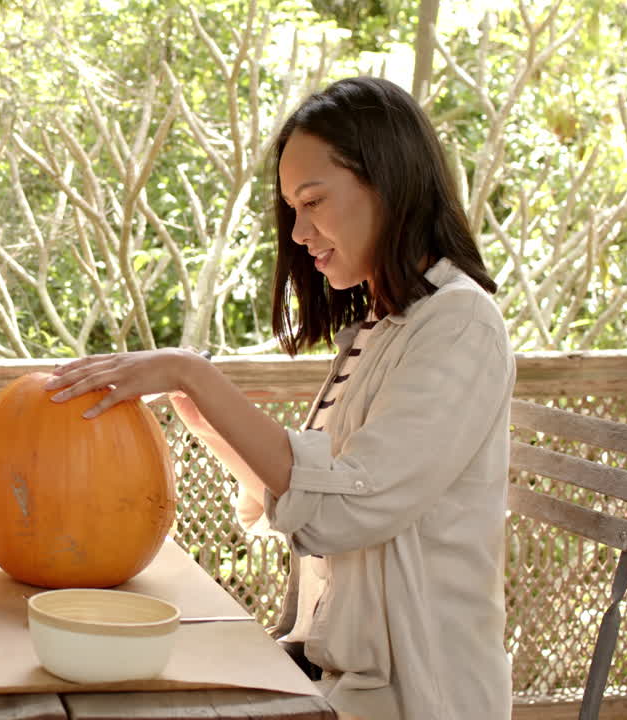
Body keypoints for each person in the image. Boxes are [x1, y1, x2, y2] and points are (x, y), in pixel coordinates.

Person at [45, 77, 513, 720]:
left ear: (389, 182)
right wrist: (213, 429)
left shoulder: (460, 324)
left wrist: (192, 371)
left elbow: (343, 514)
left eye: (313, 201)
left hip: (414, 696)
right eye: (292, 207)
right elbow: (313, 503)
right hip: (337, 679)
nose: (297, 232)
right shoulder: (386, 325)